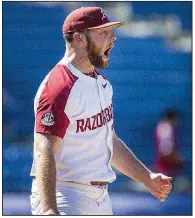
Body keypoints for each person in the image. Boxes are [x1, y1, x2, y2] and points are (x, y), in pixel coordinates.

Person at [30, 7, 172, 215]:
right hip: (65, 195)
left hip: (101, 198)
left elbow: (108, 141)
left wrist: (146, 178)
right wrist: (50, 209)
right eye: (103, 32)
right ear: (78, 38)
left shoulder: (102, 83)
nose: (113, 37)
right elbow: (44, 150)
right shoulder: (59, 86)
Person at [153, 109, 184, 176]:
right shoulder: (166, 127)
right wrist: (175, 158)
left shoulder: (161, 125)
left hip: (165, 159)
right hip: (167, 161)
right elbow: (165, 147)